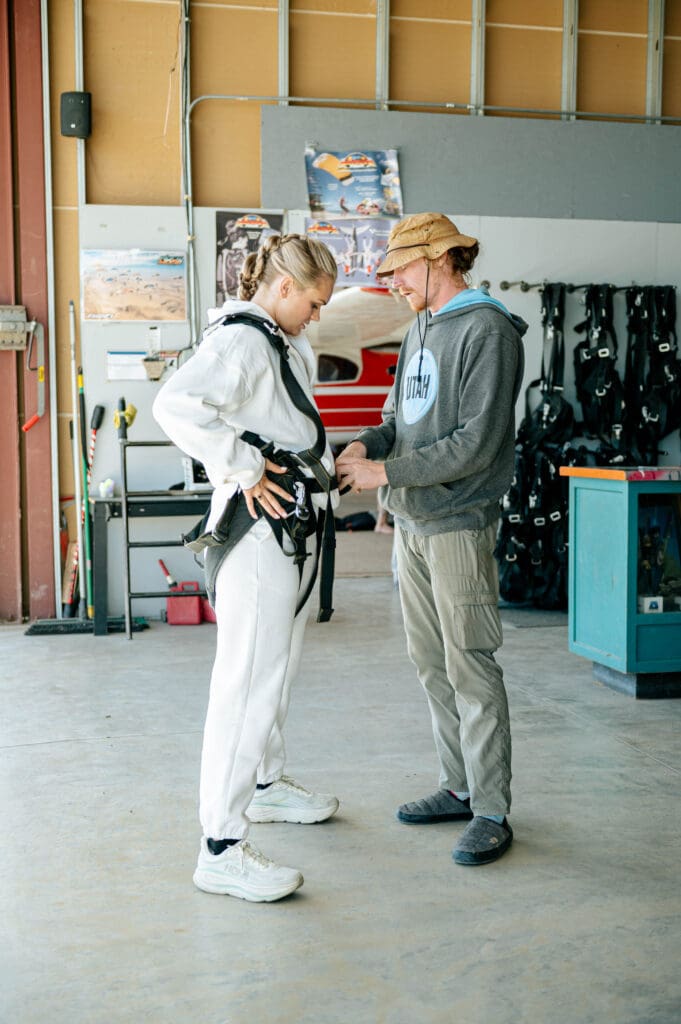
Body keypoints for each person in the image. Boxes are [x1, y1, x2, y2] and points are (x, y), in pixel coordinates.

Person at [153, 233, 341, 902]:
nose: (316, 315)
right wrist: (245, 464)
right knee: (244, 685)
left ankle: (264, 785)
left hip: (285, 525)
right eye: (313, 302)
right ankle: (220, 847)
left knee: (274, 671)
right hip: (258, 531)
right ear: (284, 288)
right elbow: (175, 405)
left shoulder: (269, 339)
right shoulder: (239, 341)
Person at [336, 212, 526, 866]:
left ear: (439, 259)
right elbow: (399, 418)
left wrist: (384, 471)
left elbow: (476, 443)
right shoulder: (421, 326)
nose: (390, 283)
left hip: (458, 527)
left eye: (397, 270)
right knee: (431, 663)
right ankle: (457, 784)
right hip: (411, 527)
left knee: (470, 663)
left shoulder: (487, 330)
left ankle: (491, 809)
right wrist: (368, 443)